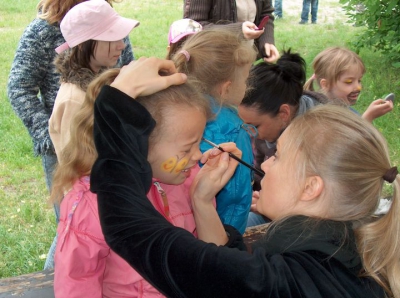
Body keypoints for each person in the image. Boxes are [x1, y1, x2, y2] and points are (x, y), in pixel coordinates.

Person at [89, 57, 399, 297]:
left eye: (278, 156)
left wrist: (118, 104)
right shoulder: (339, 255)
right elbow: (232, 271)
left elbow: (133, 232)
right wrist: (203, 202)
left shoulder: (288, 283)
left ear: (311, 187)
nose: (266, 167)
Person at [51, 65, 213, 297]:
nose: (197, 156)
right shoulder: (93, 203)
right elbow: (78, 280)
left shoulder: (187, 180)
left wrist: (203, 198)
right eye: (187, 148)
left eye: (200, 143)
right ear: (140, 145)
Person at [7, 0, 134, 270]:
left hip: (106, 147)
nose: (121, 44)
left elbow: (127, 73)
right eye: (115, 39)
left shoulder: (107, 21)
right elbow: (19, 87)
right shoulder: (42, 33)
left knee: (97, 229)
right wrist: (52, 135)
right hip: (69, 150)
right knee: (74, 228)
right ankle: (54, 282)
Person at [172, 29, 257, 233]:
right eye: (245, 79)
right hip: (216, 234)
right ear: (225, 88)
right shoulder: (234, 133)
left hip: (175, 225)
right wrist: (229, 241)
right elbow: (235, 199)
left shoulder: (173, 109)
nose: (247, 86)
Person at [237, 50, 328, 226]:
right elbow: (259, 167)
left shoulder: (322, 136)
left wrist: (273, 204)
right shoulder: (272, 126)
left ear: (284, 113)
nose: (250, 134)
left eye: (254, 127)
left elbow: (326, 207)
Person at [49, 0, 139, 162]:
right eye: (112, 38)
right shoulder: (75, 100)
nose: (122, 46)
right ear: (84, 44)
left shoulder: (104, 86)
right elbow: (77, 166)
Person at [304, 47, 393, 122]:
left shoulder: (346, 110)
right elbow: (348, 141)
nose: (358, 87)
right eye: (349, 82)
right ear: (326, 84)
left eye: (359, 80)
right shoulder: (319, 116)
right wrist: (368, 117)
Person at [183, 0, 280, 62]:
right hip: (212, 66)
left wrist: (267, 40)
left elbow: (266, 12)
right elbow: (193, 26)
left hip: (245, 62)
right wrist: (237, 31)